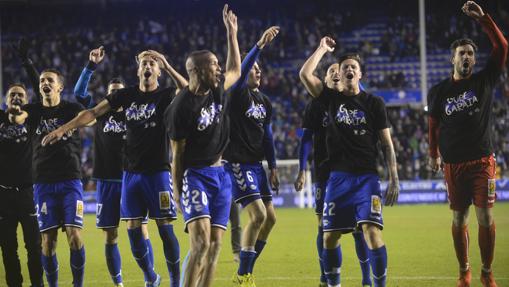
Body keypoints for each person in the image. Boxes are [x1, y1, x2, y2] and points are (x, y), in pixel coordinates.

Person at [41, 49, 188, 287]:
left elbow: (188, 90)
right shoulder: (125, 96)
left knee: (164, 227)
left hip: (158, 172)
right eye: (144, 64)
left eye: (152, 64)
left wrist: (168, 64)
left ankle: (175, 281)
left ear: (158, 71)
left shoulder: (165, 95)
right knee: (132, 230)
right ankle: (150, 277)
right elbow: (91, 112)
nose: (147, 67)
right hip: (129, 174)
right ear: (138, 70)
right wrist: (62, 129)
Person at [300, 37, 400, 287]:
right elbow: (305, 73)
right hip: (337, 178)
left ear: (360, 74)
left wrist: (394, 178)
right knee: (330, 237)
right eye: (345, 67)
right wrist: (322, 48)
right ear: (341, 75)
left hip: (367, 179)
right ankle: (333, 283)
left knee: (371, 232)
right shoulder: (330, 100)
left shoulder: (374, 103)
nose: (349, 70)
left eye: (353, 67)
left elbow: (387, 144)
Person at [427, 2, 508, 287]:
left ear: (474, 60)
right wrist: (433, 153)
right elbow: (433, 125)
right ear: (453, 59)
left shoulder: (485, 80)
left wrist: (484, 19)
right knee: (459, 219)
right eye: (461, 52)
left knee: (485, 217)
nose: (467, 56)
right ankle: (465, 271)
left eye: (471, 53)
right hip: (453, 165)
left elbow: (502, 47)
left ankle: (487, 272)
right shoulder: (439, 91)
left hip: (483, 161)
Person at [165, 4, 241, 287]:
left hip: (220, 175)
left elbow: (235, 68)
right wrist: (177, 194)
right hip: (194, 175)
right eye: (213, 65)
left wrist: (231, 34)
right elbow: (177, 155)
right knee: (199, 245)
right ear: (196, 70)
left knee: (215, 246)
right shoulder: (179, 108)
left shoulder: (217, 87)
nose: (219, 68)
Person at [72, 47, 155, 286]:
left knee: (142, 231)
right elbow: (79, 93)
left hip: (133, 179)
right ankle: (118, 282)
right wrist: (90, 66)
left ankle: (150, 277)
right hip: (107, 181)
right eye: (111, 94)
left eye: (119, 93)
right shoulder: (100, 115)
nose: (115, 97)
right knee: (111, 235)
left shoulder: (135, 110)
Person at [10, 68, 89, 287]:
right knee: (48, 242)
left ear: (60, 87)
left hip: (70, 181)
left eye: (50, 80)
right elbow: (20, 117)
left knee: (74, 235)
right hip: (43, 184)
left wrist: (65, 128)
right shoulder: (33, 110)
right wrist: (16, 114)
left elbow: (90, 120)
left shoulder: (72, 109)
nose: (45, 82)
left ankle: (77, 285)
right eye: (42, 80)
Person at [295, 63, 372, 287]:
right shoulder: (317, 105)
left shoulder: (356, 102)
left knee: (360, 224)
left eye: (340, 70)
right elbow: (306, 139)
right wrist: (301, 170)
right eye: (331, 71)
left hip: (352, 171)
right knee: (324, 225)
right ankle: (325, 277)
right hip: (325, 172)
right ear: (325, 81)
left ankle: (367, 280)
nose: (337, 73)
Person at [223, 26, 280, 286]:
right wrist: (258, 45)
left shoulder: (265, 102)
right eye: (254, 68)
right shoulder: (236, 94)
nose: (258, 71)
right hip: (236, 163)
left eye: (260, 68)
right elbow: (242, 70)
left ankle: (245, 271)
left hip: (257, 166)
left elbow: (267, 137)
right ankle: (245, 276)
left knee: (270, 219)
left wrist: (274, 167)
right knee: (257, 215)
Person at [0, 84, 44, 287]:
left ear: (26, 100)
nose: (16, 97)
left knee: (34, 247)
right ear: (6, 99)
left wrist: (26, 62)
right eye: (12, 94)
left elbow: (42, 89)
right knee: (8, 248)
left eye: (20, 95)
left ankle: (37, 284)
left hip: (28, 193)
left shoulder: (32, 118)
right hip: (3, 195)